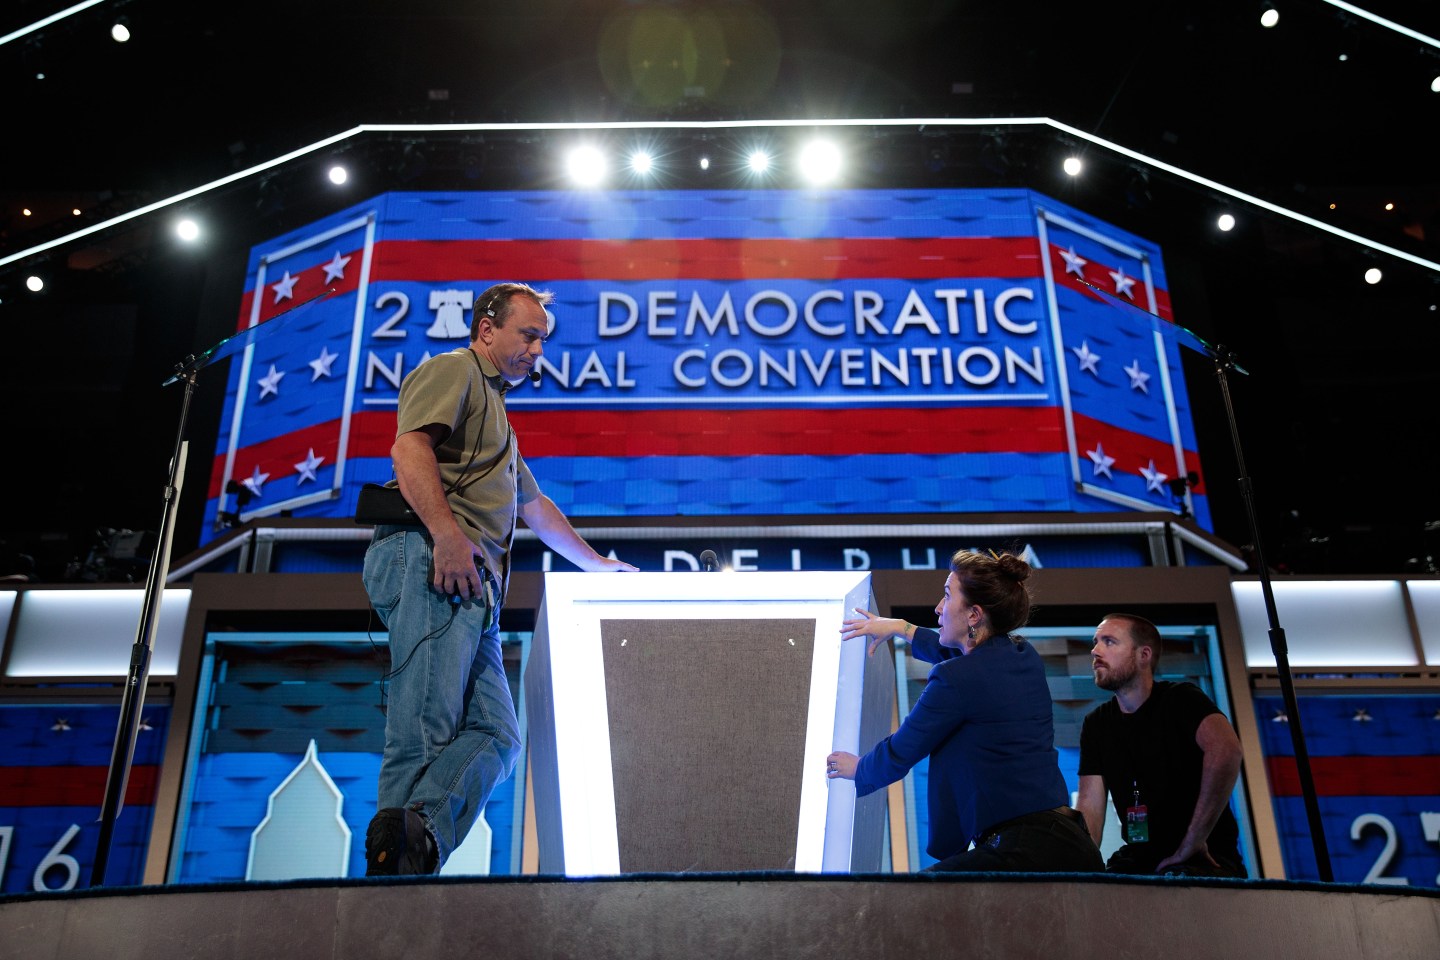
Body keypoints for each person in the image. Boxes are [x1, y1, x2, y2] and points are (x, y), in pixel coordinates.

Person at [361, 282, 637, 876]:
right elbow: (409, 450)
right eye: (529, 334)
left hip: (470, 586)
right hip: (435, 559)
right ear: (488, 328)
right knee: (425, 727)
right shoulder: (455, 369)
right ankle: (390, 883)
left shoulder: (500, 424)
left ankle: (418, 838)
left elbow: (534, 507)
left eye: (543, 339)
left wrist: (597, 565)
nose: (538, 349)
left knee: (498, 735)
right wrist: (447, 536)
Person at [828, 551, 1102, 872]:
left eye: (946, 596)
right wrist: (902, 628)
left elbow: (902, 750)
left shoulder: (955, 679)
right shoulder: (1021, 655)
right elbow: (957, 654)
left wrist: (858, 769)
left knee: (905, 900)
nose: (938, 608)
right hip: (1066, 842)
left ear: (974, 615)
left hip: (1027, 851)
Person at [1075, 613, 1247, 877]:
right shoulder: (1096, 723)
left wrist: (1193, 841)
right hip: (1140, 858)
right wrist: (1079, 868)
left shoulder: (1181, 699)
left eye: (1109, 642)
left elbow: (1227, 750)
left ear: (1143, 655)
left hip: (1203, 858)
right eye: (1096, 641)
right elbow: (1090, 808)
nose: (1095, 650)